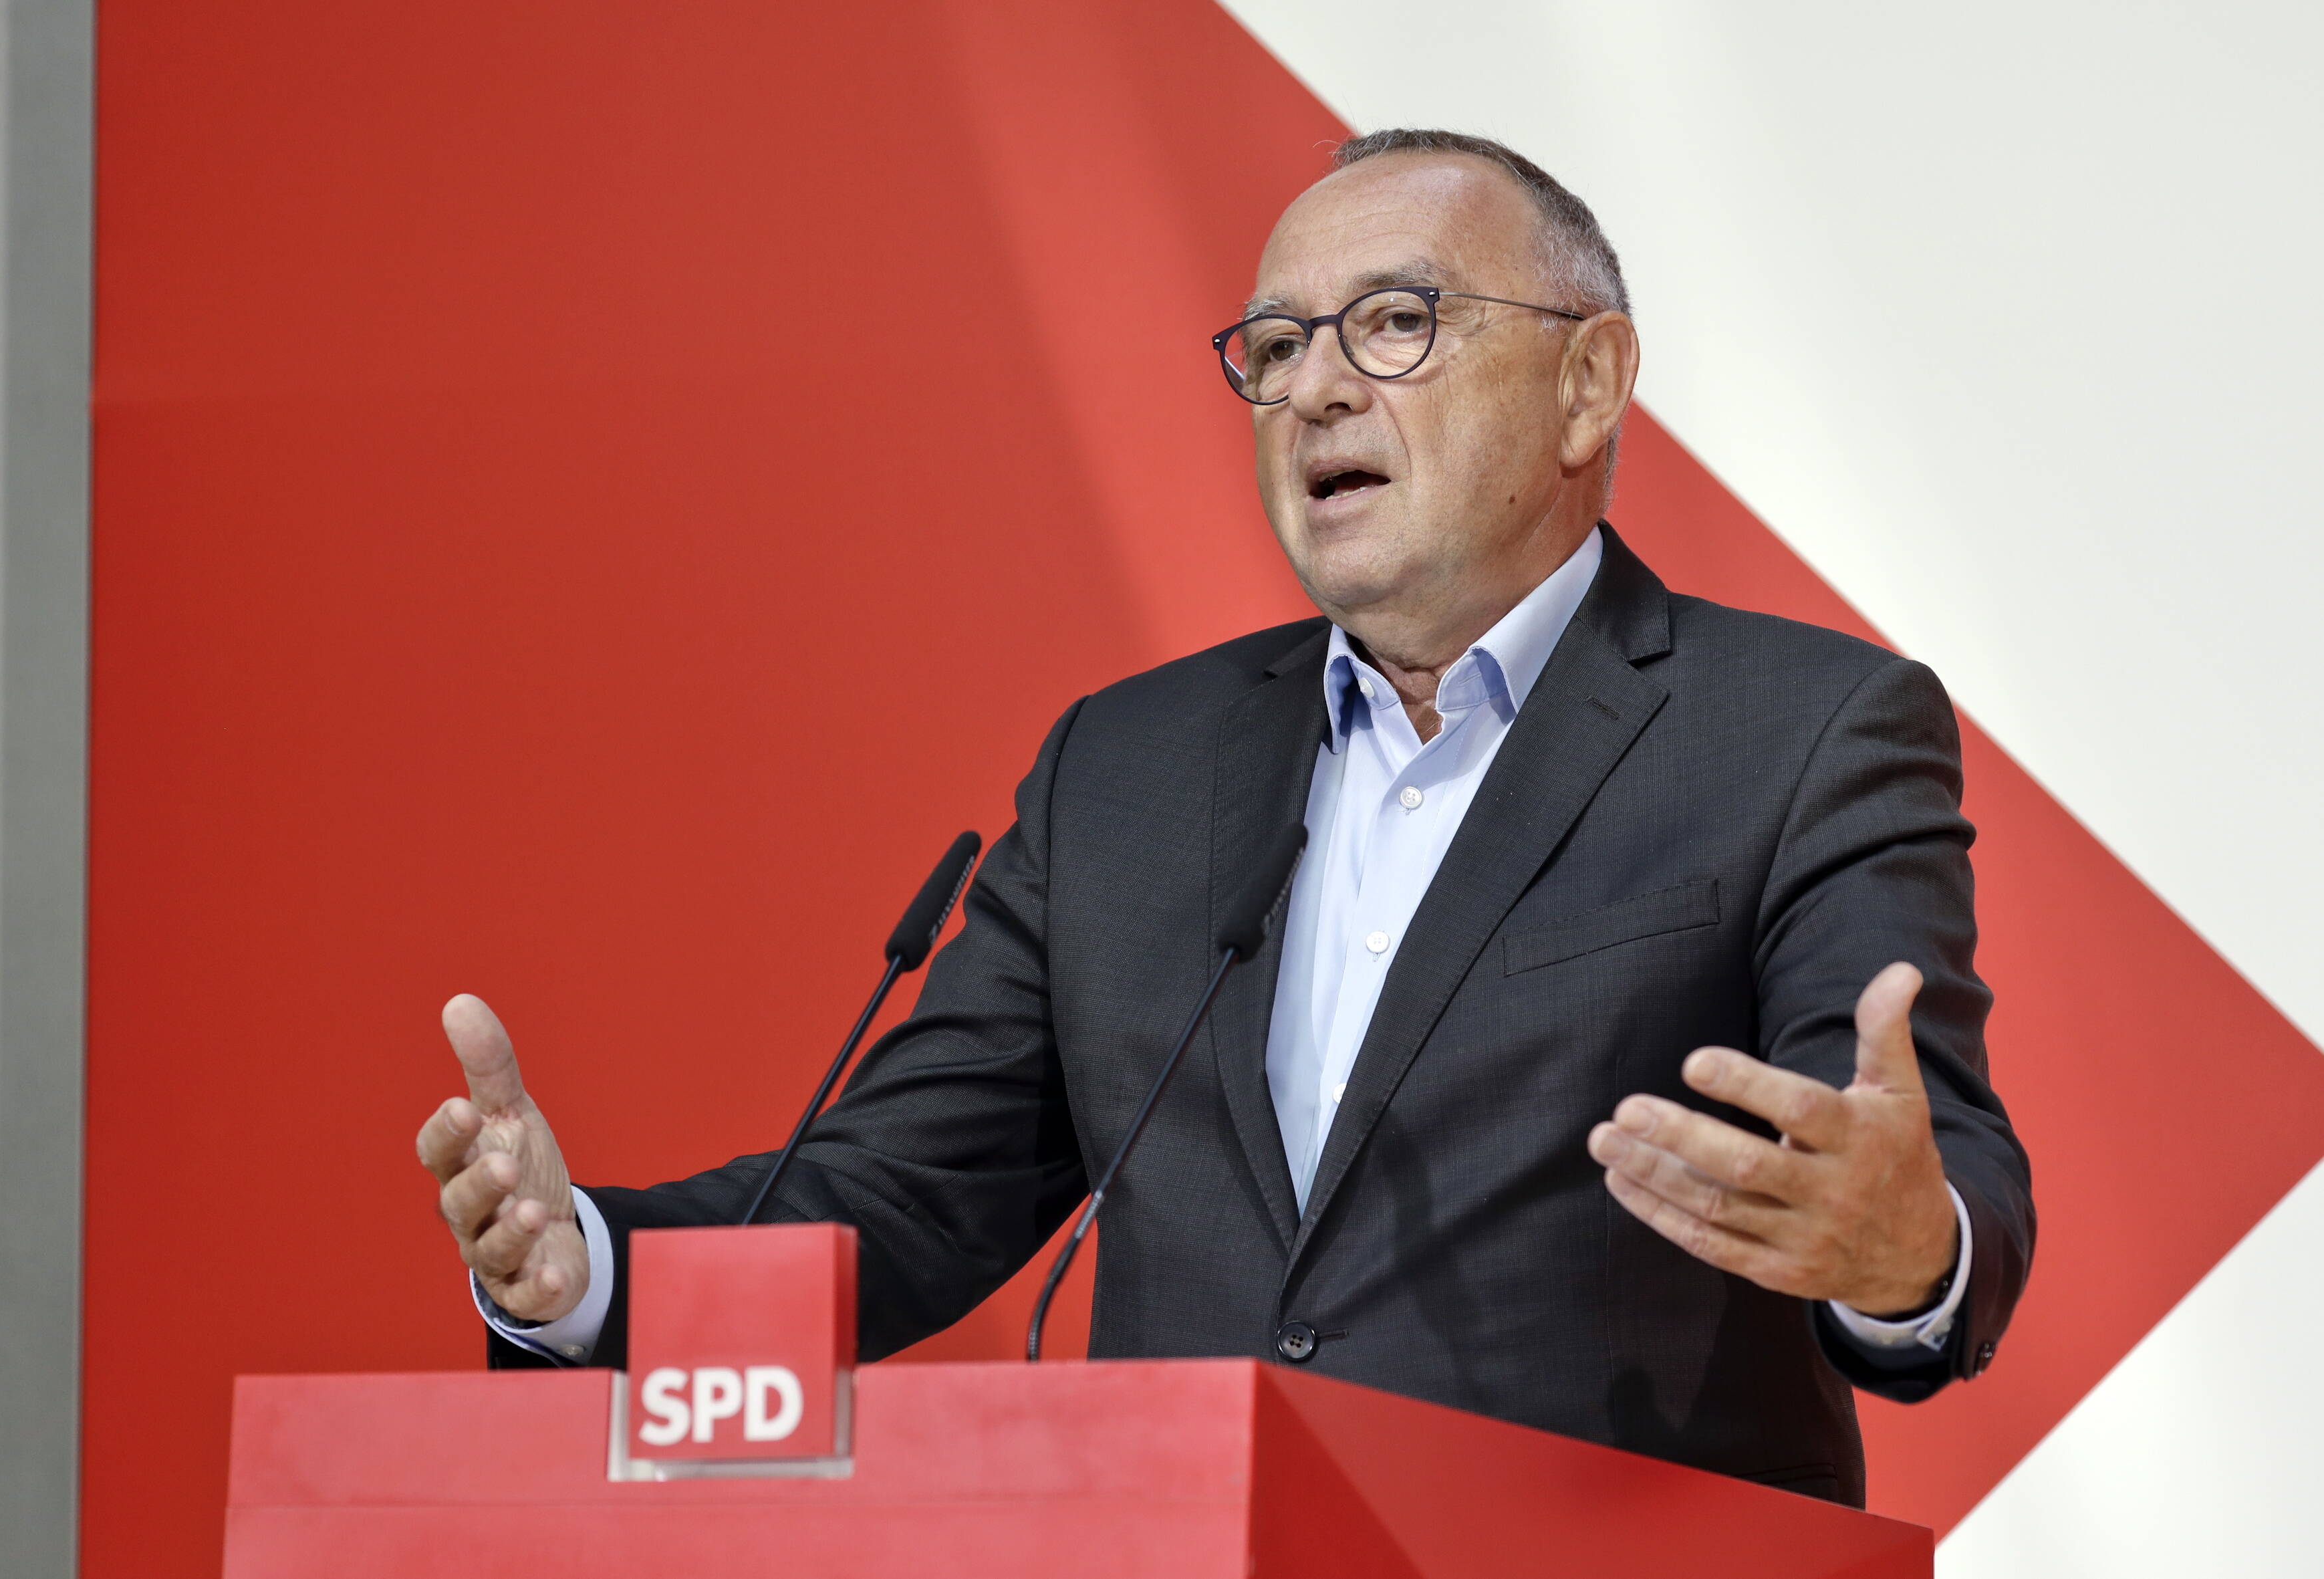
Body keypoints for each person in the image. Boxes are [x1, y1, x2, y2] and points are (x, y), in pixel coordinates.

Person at [414, 128, 2033, 1505]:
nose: (1317, 387)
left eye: (1395, 323)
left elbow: (1914, 1167)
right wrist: (595, 1274)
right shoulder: (1127, 763)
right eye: (1274, 347)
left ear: (1585, 383)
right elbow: (917, 1187)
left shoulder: (1799, 730)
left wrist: (1904, 1255)